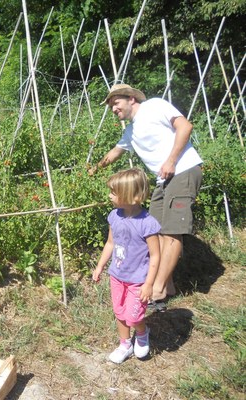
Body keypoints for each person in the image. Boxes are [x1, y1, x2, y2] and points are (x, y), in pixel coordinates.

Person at [91, 84, 203, 311]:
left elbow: (185, 126)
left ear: (131, 98)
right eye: (111, 105)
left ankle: (158, 290)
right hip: (164, 179)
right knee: (155, 230)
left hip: (183, 170)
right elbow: (114, 153)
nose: (113, 109)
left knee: (171, 231)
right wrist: (94, 168)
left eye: (116, 103)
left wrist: (171, 160)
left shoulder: (155, 106)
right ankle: (167, 285)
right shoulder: (131, 132)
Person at [93, 168, 161, 363]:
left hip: (138, 280)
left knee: (133, 316)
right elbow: (110, 243)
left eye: (114, 192)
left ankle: (141, 332)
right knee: (119, 312)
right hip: (117, 275)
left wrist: (149, 284)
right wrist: (100, 266)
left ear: (133, 196)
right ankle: (124, 344)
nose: (109, 196)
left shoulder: (147, 224)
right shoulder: (114, 216)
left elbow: (155, 256)